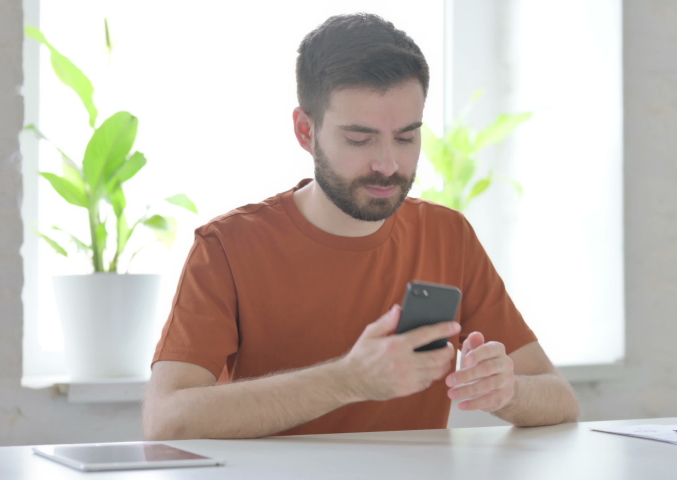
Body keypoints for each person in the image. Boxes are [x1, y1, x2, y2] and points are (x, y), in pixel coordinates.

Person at [142, 13, 579, 441]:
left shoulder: (448, 236)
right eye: (359, 139)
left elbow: (560, 399)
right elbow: (167, 419)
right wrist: (348, 380)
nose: (388, 165)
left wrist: (508, 392)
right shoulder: (227, 247)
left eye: (406, 137)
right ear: (305, 131)